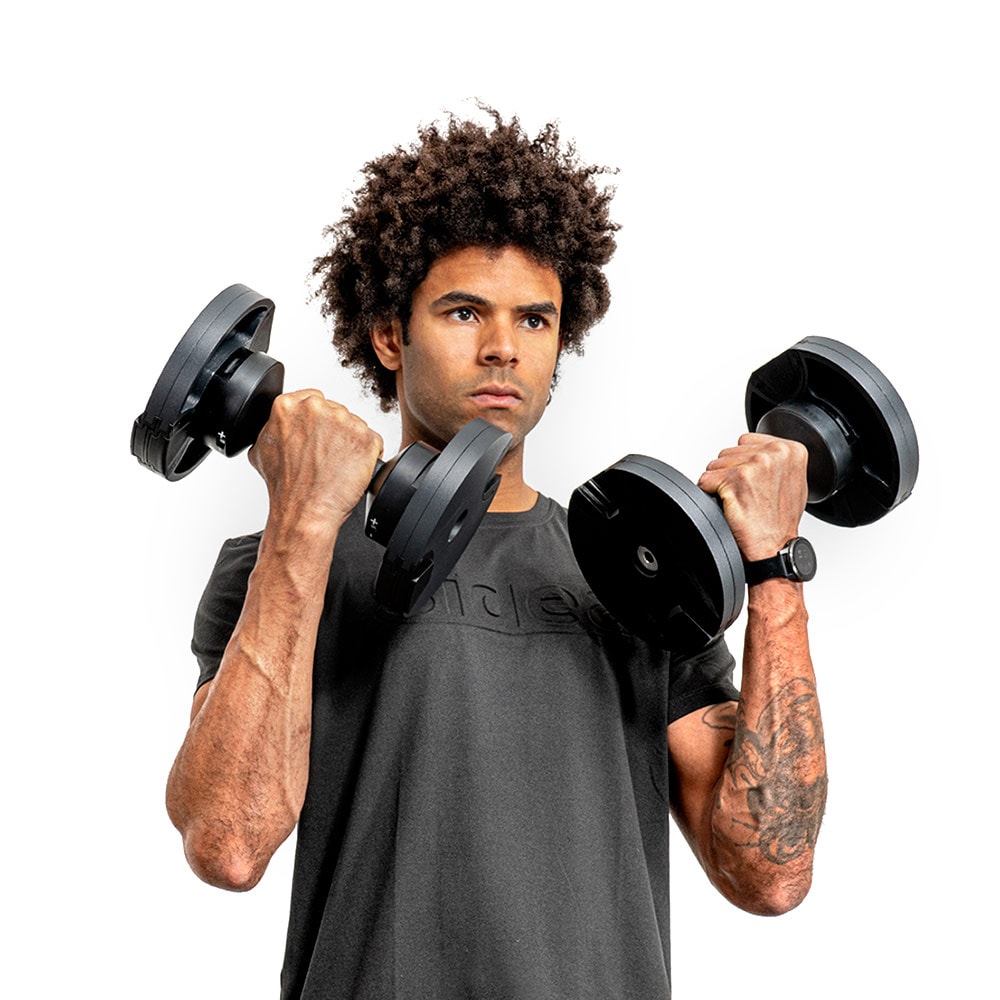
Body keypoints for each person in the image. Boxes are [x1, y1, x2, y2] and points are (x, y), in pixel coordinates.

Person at [166, 109, 827, 1000]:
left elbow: (770, 873)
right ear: (390, 335)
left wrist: (773, 567)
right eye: (464, 311)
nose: (503, 349)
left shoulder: (641, 578)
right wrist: (303, 521)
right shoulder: (282, 565)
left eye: (535, 319)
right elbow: (229, 843)